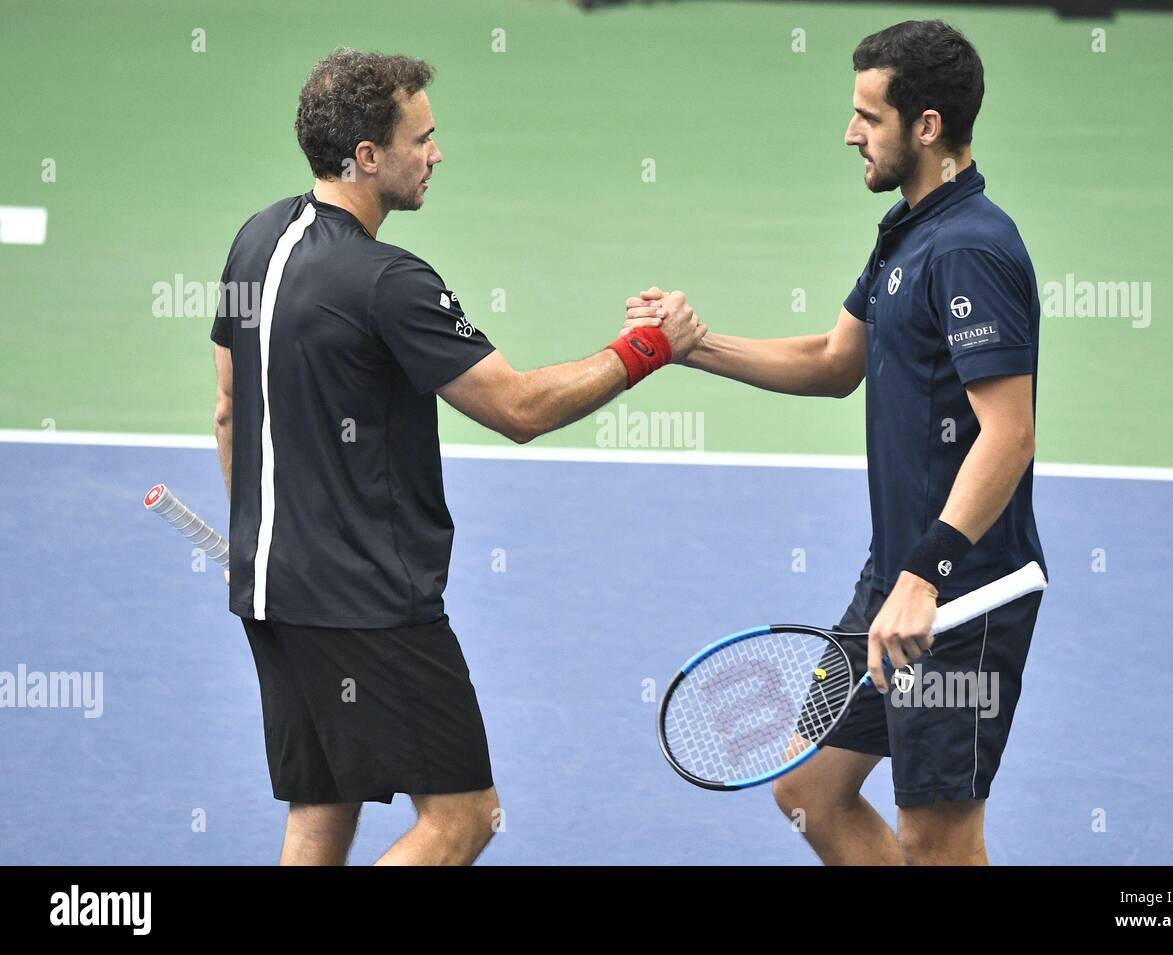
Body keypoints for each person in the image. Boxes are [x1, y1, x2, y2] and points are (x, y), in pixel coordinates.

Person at [210, 48, 703, 865]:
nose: (436, 154)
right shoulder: (389, 281)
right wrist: (647, 347)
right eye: (421, 139)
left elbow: (230, 411)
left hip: (271, 592)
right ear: (367, 157)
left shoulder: (254, 240)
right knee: (463, 817)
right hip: (370, 605)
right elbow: (517, 407)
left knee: (320, 810)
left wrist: (260, 543)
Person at [624, 20, 1047, 865]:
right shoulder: (909, 228)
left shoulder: (971, 249)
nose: (850, 131)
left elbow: (1011, 432)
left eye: (868, 115)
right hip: (894, 577)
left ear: (926, 126)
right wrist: (692, 345)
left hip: (958, 599)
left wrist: (926, 575)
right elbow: (832, 359)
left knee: (938, 837)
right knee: (810, 788)